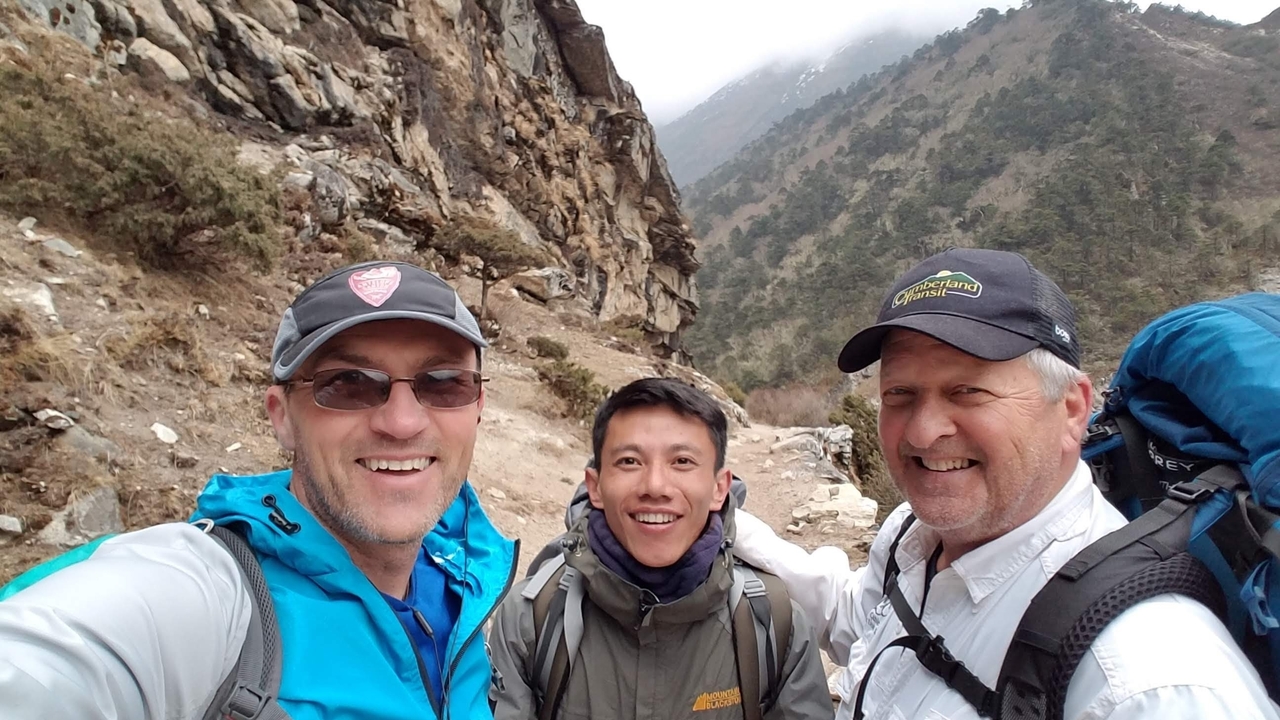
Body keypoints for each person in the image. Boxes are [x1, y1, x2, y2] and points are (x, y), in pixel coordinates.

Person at [731, 248, 1280, 720]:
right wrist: (724, 521)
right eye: (900, 394)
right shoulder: (913, 535)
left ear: (1072, 410)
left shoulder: (1147, 680)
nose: (922, 432)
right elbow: (856, 619)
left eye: (968, 392)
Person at [0, 261, 517, 720]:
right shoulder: (206, 601)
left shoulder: (466, 586)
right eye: (349, 383)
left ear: (477, 409)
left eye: (444, 381)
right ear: (282, 417)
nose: (402, 423)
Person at [487, 377, 834, 720]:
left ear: (719, 488)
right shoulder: (531, 620)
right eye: (629, 462)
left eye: (682, 461)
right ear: (595, 486)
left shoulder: (774, 624)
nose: (655, 486)